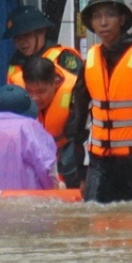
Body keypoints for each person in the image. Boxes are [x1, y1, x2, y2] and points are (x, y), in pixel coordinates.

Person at [69, 0, 132, 202]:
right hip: (100, 163)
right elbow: (77, 119)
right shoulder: (90, 62)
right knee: (94, 221)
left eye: (110, 15)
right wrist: (80, 172)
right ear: (91, 23)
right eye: (97, 17)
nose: (103, 22)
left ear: (122, 19)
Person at [20, 55, 84, 187]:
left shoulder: (75, 92)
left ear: (55, 82)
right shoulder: (16, 96)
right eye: (29, 91)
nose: (35, 98)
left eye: (41, 91)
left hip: (69, 150)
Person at [4, 5, 82, 86]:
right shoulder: (14, 64)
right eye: (17, 38)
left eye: (27, 35)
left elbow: (81, 90)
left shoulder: (63, 57)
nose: (22, 42)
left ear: (41, 32)